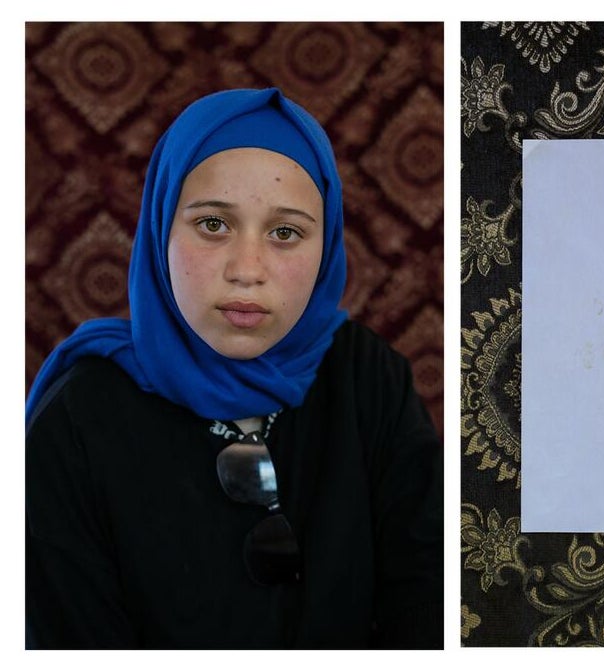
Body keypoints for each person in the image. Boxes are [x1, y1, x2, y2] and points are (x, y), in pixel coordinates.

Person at [25, 88, 443, 649]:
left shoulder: (368, 379)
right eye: (214, 225)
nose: (248, 270)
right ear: (160, 230)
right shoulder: (77, 421)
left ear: (328, 247)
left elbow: (427, 611)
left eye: (285, 233)